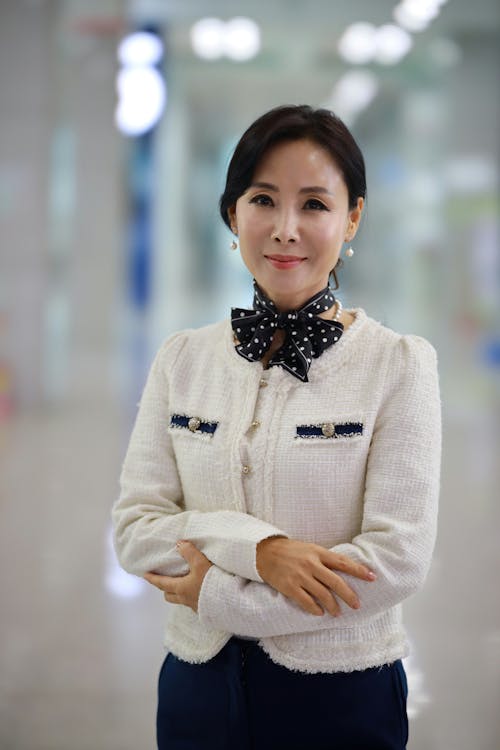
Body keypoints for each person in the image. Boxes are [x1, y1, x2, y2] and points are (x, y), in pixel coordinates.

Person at [112, 104, 441, 750]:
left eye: (314, 205)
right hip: (196, 691)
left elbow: (395, 561)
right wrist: (261, 551)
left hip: (340, 695)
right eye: (264, 199)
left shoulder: (399, 365)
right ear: (233, 215)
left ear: (352, 219)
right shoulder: (182, 359)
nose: (285, 230)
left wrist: (223, 597)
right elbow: (136, 529)